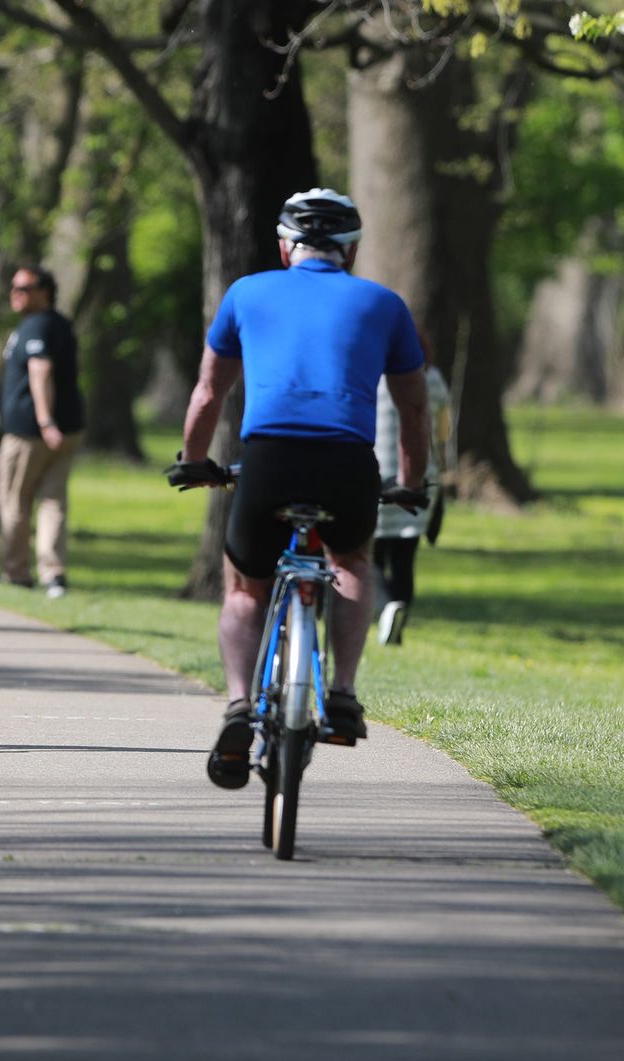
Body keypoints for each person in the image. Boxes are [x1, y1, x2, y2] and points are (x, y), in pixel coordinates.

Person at [167, 188, 429, 790]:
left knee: (244, 587)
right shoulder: (384, 304)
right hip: (347, 461)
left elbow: (208, 392)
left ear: (286, 247)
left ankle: (239, 705)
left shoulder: (245, 293)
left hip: (270, 459)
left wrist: (193, 461)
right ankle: (343, 693)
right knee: (352, 560)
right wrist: (412, 482)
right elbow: (413, 409)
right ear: (351, 250)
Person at [0, 263, 85, 599]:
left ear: (44, 292)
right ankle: (53, 574)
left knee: (14, 499)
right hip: (67, 427)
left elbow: (40, 371)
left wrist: (46, 422)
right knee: (52, 501)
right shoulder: (59, 323)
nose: (15, 294)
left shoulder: (36, 325)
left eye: (24, 288)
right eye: (13, 287)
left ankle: (15, 572)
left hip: (31, 432)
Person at [372, 359, 449, 645]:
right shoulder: (433, 377)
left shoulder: (373, 374)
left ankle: (385, 609)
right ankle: (397, 619)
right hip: (419, 476)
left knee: (372, 555)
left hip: (377, 473)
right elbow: (443, 430)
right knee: (404, 559)